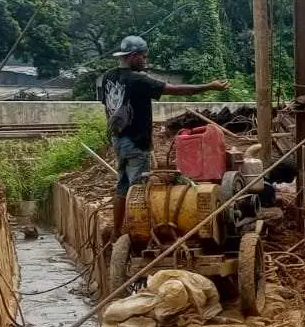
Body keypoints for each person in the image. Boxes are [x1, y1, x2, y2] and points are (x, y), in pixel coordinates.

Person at [99, 34, 233, 239]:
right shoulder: (138, 79)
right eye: (143, 57)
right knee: (138, 189)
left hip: (118, 139)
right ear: (133, 56)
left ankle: (118, 231)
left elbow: (107, 105)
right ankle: (138, 234)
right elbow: (175, 89)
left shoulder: (108, 76)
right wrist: (208, 86)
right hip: (136, 142)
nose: (145, 60)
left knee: (122, 185)